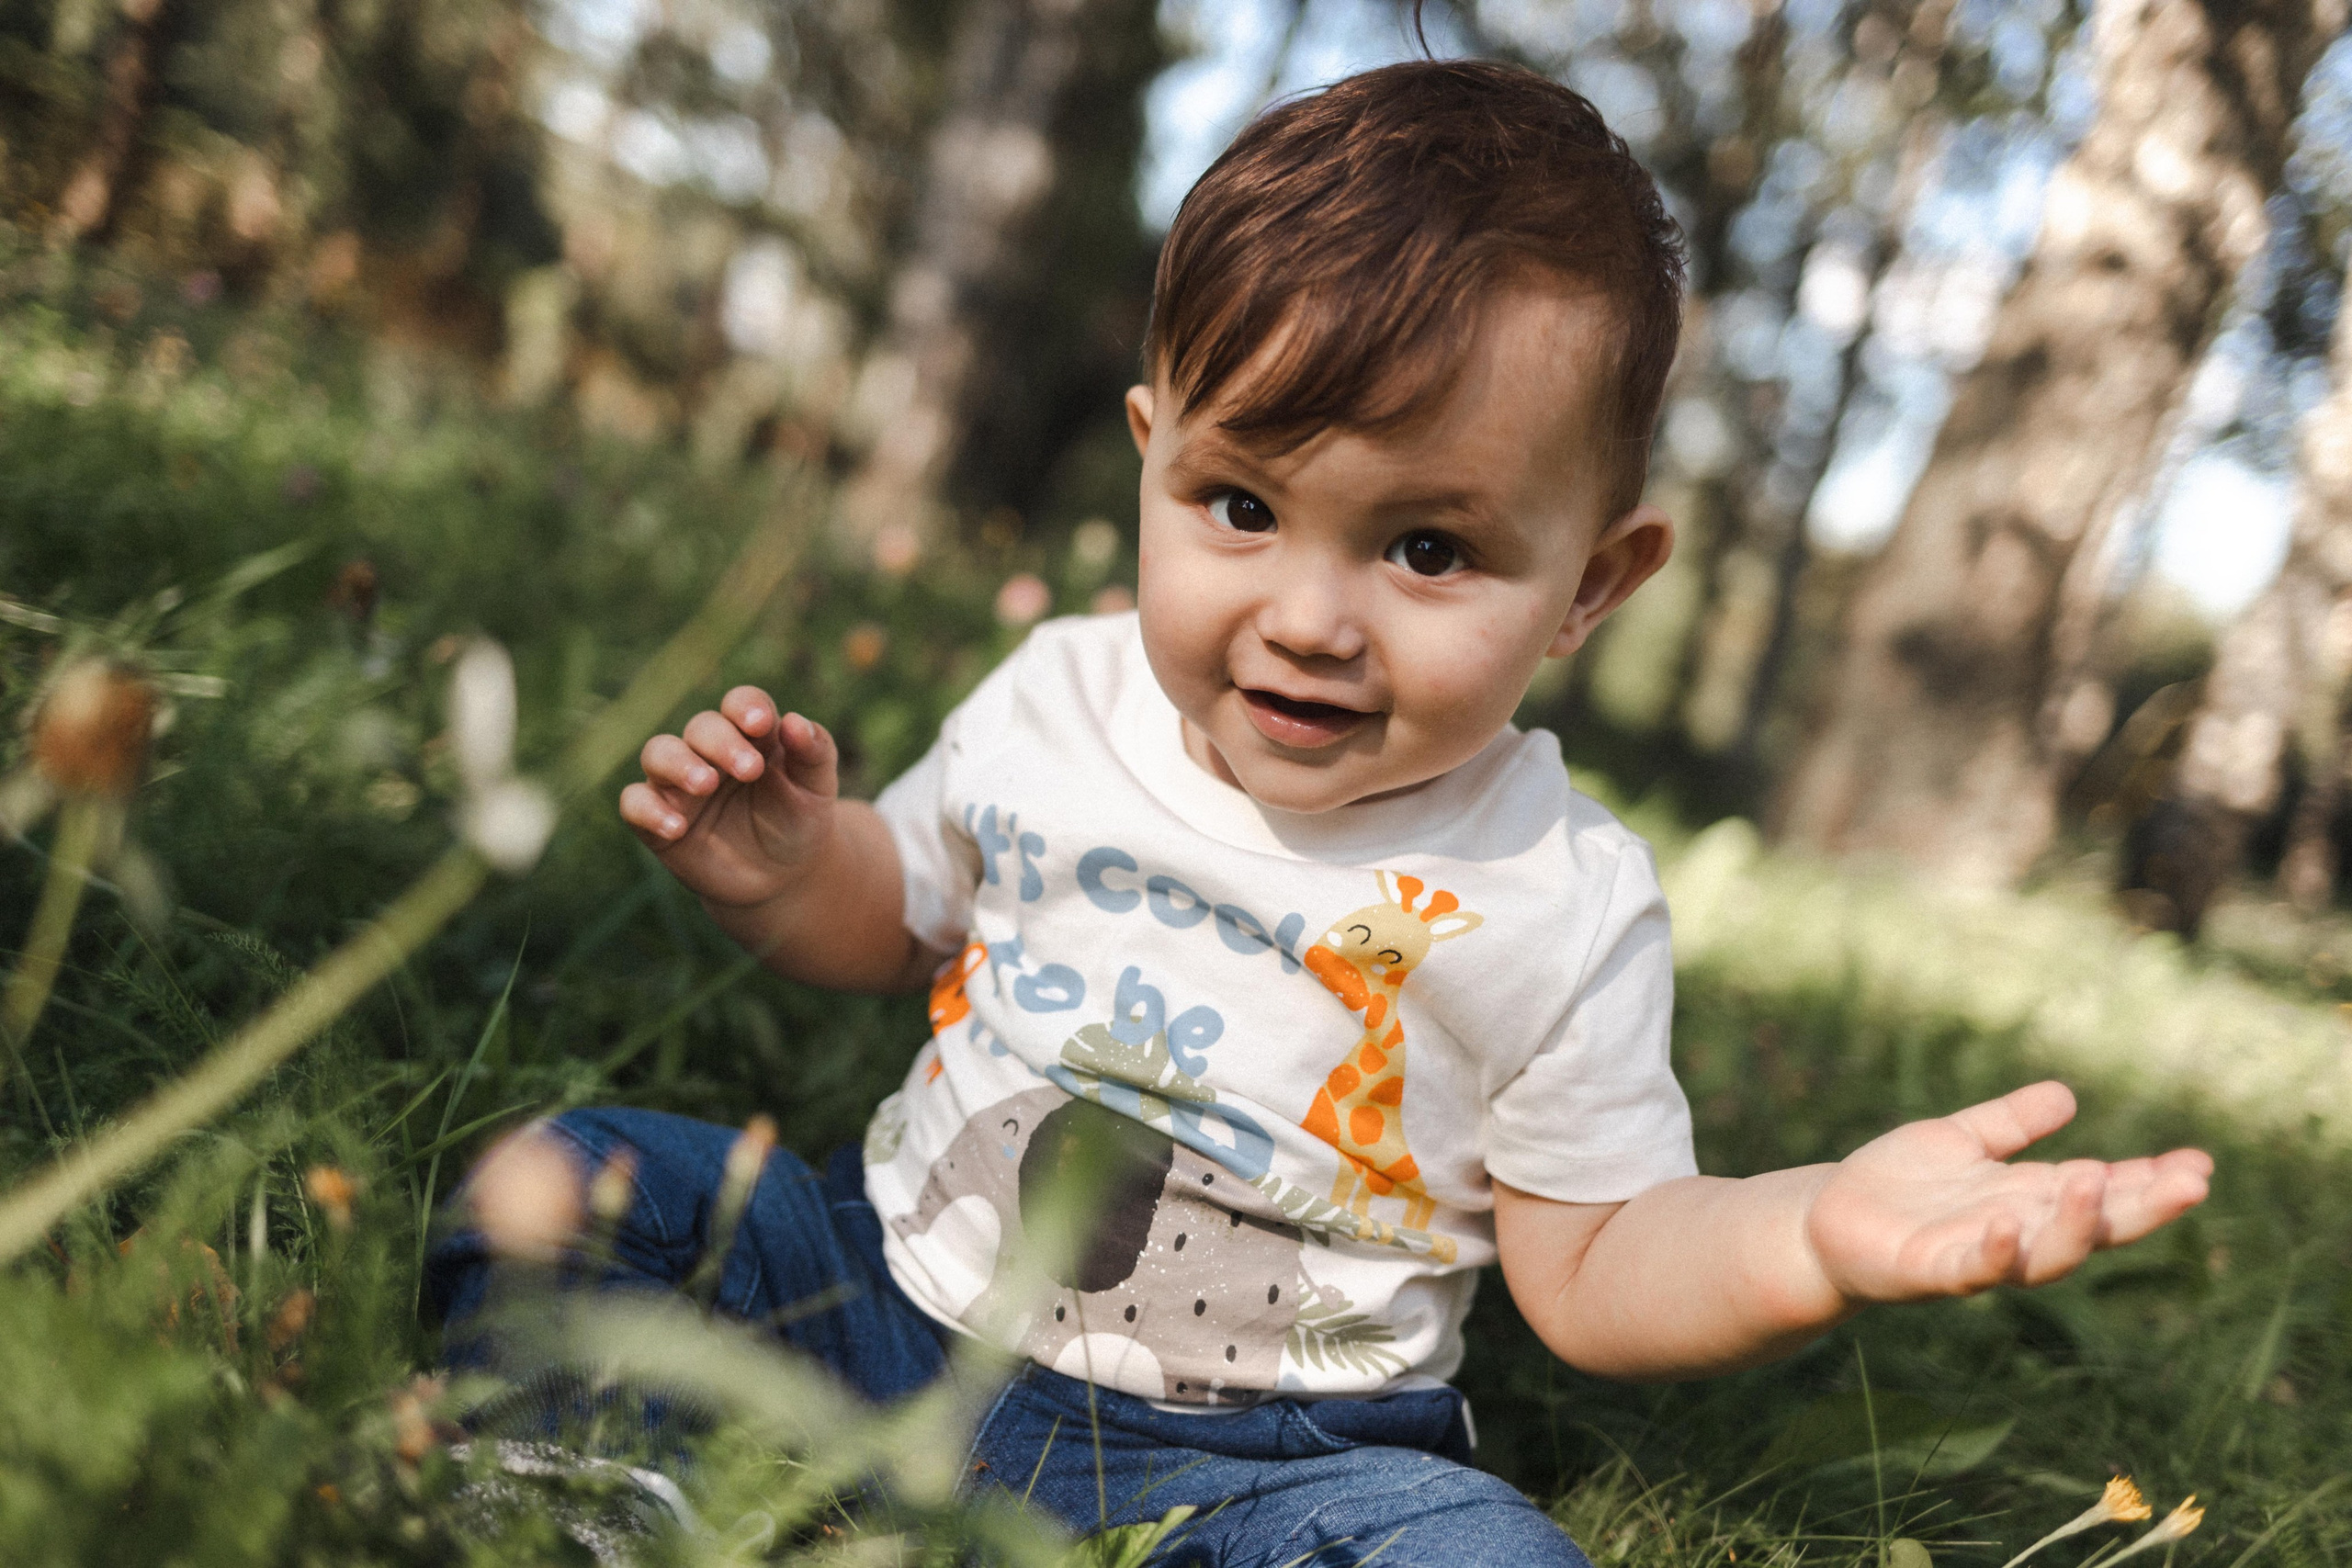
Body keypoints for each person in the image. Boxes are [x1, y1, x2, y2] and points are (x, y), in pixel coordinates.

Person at [428, 57, 2212, 1566]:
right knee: (575, 1177)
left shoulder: (1556, 893)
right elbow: (897, 916)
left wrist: (1810, 1229)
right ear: (1152, 454)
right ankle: (591, 1486)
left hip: (1264, 1463)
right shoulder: (1059, 697)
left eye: (1426, 547)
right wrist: (791, 866)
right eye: (1241, 506)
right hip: (879, 1298)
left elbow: (1596, 1262)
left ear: (1589, 586)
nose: (1309, 615)